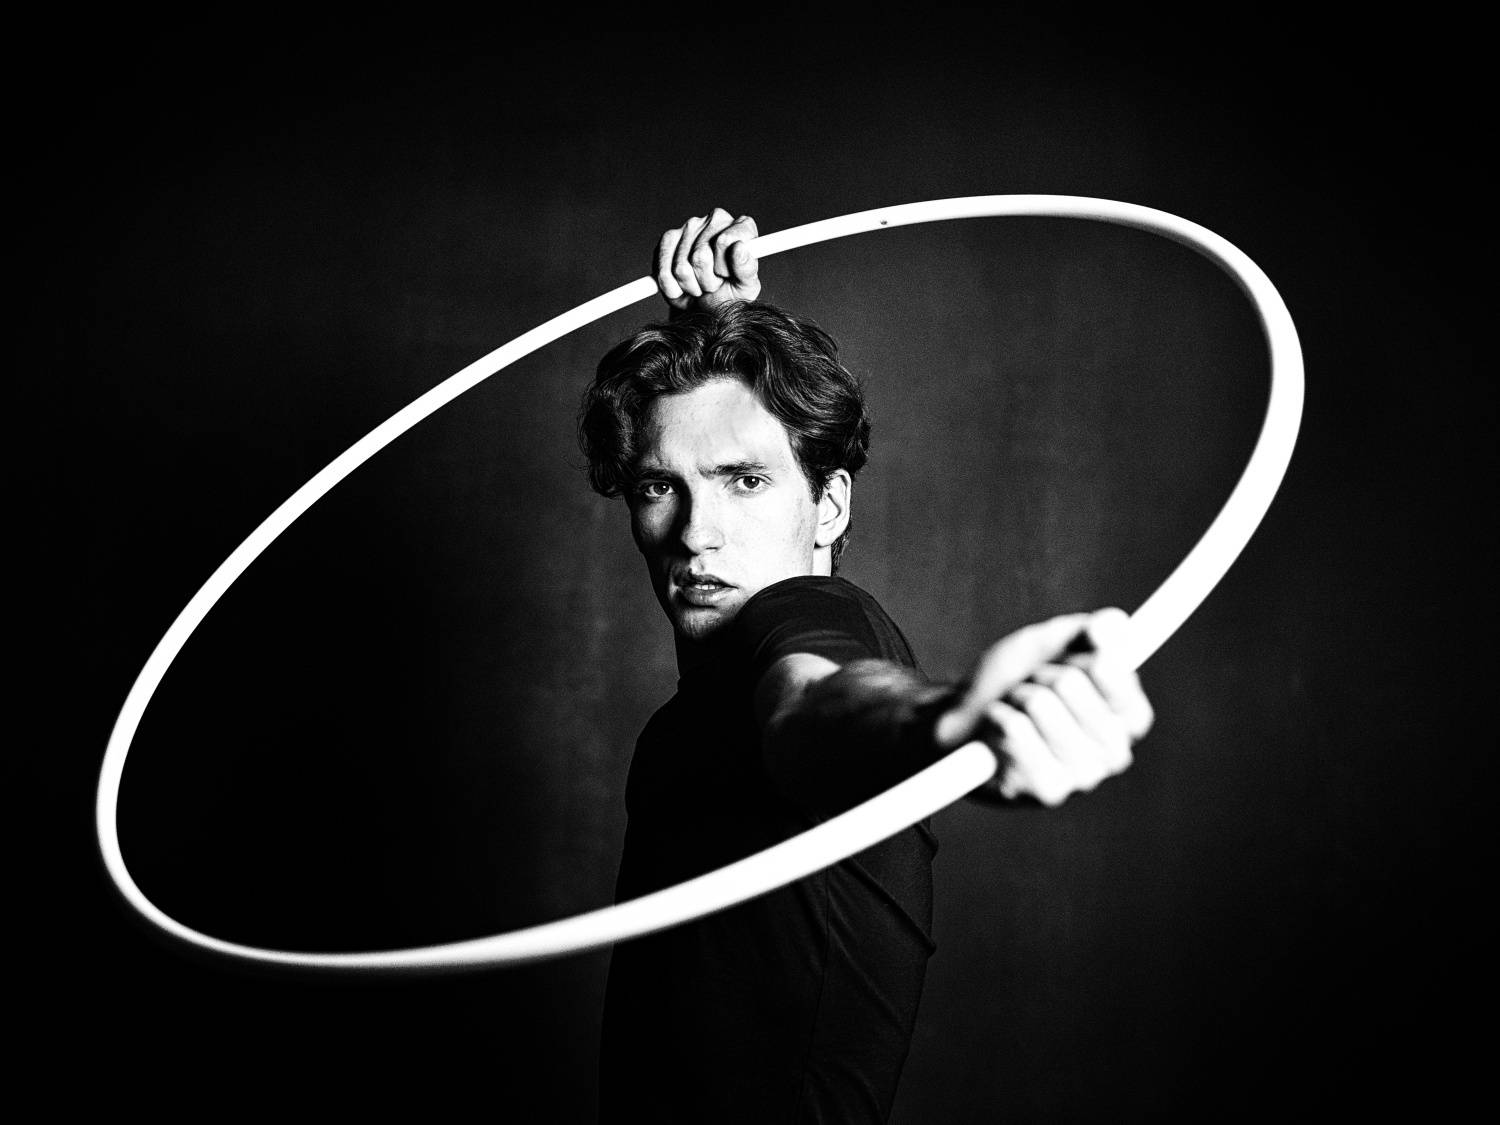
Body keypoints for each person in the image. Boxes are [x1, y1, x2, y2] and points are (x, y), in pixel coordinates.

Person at [580, 209, 1154, 1123]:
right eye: (661, 486)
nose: (695, 532)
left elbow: (816, 708)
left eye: (745, 480)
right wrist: (713, 333)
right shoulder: (684, 724)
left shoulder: (816, 617)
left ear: (831, 505)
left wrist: (950, 723)